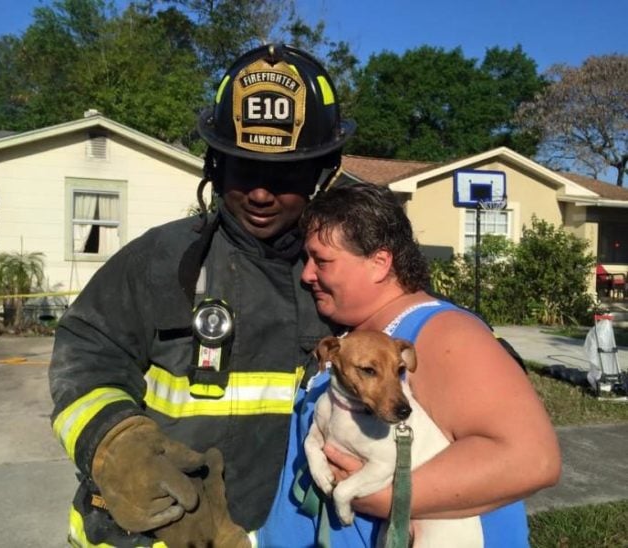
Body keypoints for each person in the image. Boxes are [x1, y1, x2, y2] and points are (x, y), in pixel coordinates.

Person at [48, 43, 355, 547]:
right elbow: (86, 353)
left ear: (324, 174)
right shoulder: (161, 260)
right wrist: (113, 442)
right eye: (243, 168)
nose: (260, 193)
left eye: (284, 175)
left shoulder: (350, 272)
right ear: (215, 165)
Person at [257, 181, 561, 546]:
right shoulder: (356, 336)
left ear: (380, 262)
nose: (306, 274)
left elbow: (532, 460)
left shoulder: (445, 333)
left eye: (321, 260)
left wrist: (381, 497)